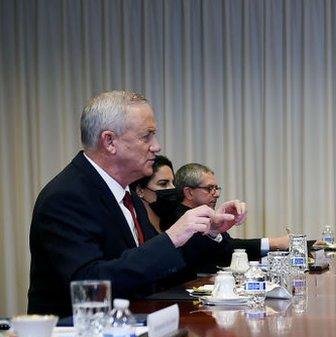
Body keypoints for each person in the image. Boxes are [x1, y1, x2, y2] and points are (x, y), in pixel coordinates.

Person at [27, 90, 248, 316]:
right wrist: (171, 238)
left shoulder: (126, 192)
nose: (157, 146)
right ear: (110, 141)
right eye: (147, 136)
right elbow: (89, 284)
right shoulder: (66, 197)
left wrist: (209, 230)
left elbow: (155, 263)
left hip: (132, 329)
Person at [162, 162, 288, 272]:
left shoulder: (206, 215)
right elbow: (225, 252)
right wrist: (274, 243)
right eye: (209, 188)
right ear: (189, 192)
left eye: (216, 188)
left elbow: (227, 246)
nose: (216, 194)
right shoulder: (178, 219)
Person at [132, 155, 179, 233]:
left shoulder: (176, 223)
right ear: (140, 191)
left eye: (173, 183)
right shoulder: (135, 229)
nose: (172, 188)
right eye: (163, 184)